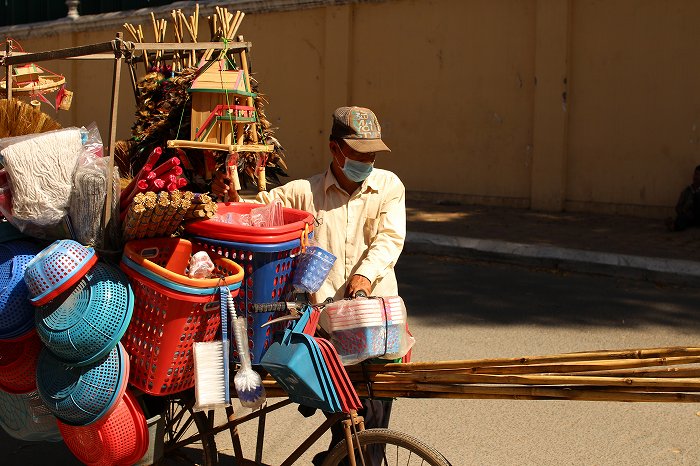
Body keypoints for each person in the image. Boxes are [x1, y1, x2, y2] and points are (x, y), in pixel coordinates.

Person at [213, 106, 406, 464]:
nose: (368, 160)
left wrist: (363, 278)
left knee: (373, 429)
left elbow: (389, 241)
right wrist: (227, 194)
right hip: (329, 332)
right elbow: (256, 212)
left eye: (372, 154)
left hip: (374, 326)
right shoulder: (305, 193)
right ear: (336, 149)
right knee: (344, 423)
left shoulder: (388, 186)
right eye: (360, 154)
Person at [667, 165, 700, 231]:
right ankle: (673, 225)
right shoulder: (686, 191)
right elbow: (678, 207)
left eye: (698, 175)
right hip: (688, 216)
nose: (696, 177)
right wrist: (684, 210)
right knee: (682, 219)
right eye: (695, 174)